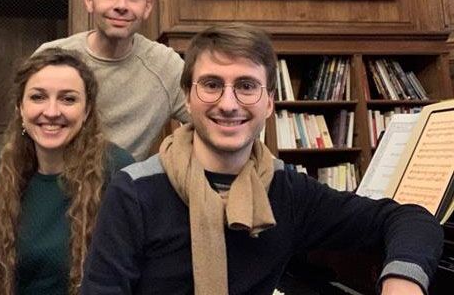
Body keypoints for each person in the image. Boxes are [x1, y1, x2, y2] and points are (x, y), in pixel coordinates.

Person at [81, 23, 443, 295]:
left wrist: (403, 277)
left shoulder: (288, 190)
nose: (228, 103)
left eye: (246, 86)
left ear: (269, 102)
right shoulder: (134, 191)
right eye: (211, 84)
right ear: (188, 99)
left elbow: (409, 219)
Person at [0, 48, 134, 295]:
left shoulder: (117, 169)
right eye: (38, 97)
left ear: (87, 111)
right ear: (20, 108)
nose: (51, 112)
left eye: (68, 99)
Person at [35, 0, 189, 161]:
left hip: (125, 179)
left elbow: (210, 122)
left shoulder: (165, 65)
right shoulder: (51, 57)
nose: (121, 5)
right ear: (89, 0)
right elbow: (24, 131)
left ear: (147, 7)